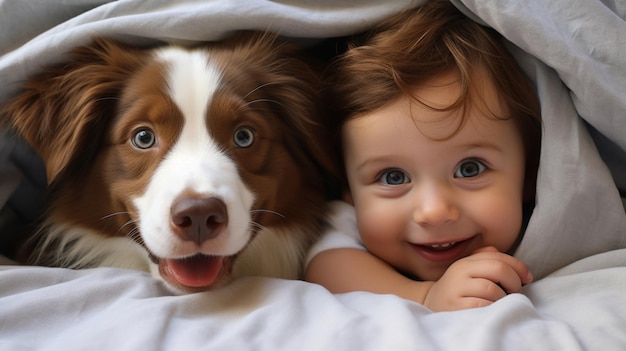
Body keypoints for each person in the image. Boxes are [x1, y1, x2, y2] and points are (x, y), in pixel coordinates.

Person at [306, 0, 542, 312]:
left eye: (470, 169)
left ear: (528, 174)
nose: (434, 211)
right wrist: (425, 296)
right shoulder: (350, 223)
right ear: (349, 189)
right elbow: (327, 266)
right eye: (394, 177)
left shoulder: (554, 221)